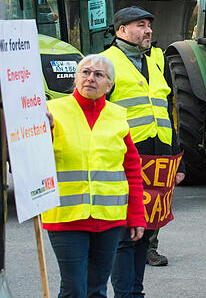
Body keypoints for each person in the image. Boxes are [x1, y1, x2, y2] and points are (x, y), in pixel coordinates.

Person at [43, 55, 146, 298]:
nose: (90, 78)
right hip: (67, 218)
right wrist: (41, 134)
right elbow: (33, 159)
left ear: (109, 85)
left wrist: (136, 216)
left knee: (97, 290)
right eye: (85, 72)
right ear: (76, 78)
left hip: (109, 220)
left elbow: (132, 169)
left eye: (98, 75)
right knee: (74, 290)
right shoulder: (52, 111)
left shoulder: (118, 116)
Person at [103, 7, 184, 298]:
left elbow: (166, 111)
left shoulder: (154, 61)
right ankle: (127, 294)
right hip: (124, 159)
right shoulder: (106, 63)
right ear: (122, 30)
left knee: (145, 231)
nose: (148, 30)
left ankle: (136, 292)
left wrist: (178, 159)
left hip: (158, 159)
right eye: (141, 25)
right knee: (126, 235)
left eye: (149, 25)